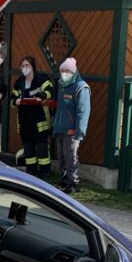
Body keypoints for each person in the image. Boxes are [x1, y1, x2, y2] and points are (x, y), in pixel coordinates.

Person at [11, 56, 54, 180]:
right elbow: (12, 100)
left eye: (27, 65)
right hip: (24, 121)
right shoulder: (19, 82)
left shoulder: (42, 79)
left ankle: (45, 172)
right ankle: (31, 171)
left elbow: (51, 90)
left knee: (41, 148)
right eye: (23, 66)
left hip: (39, 120)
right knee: (28, 148)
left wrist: (42, 96)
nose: (25, 68)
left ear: (33, 67)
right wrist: (16, 101)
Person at [52, 57, 91, 194]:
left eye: (67, 70)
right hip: (60, 128)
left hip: (72, 131)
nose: (64, 73)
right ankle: (63, 181)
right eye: (62, 70)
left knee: (71, 157)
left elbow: (83, 112)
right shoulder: (62, 84)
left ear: (73, 72)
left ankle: (73, 183)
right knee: (61, 156)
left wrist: (79, 132)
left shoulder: (81, 87)